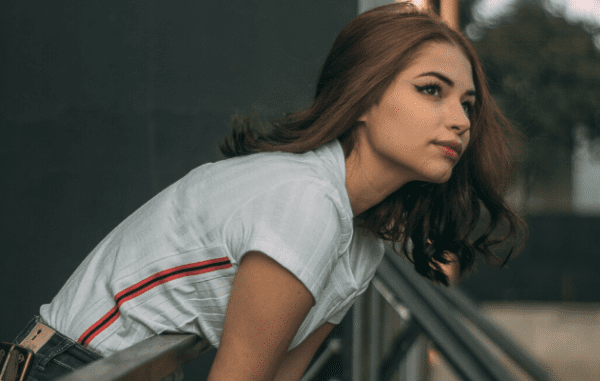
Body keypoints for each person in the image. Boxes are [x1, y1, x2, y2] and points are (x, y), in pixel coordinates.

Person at [6, 2, 527, 381]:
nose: (459, 119)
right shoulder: (306, 202)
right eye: (431, 90)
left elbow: (282, 375)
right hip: (68, 368)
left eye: (467, 103)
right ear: (363, 97)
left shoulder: (361, 239)